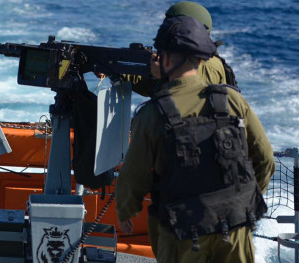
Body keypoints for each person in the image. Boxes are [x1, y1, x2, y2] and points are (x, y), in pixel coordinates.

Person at [115, 15, 274, 263]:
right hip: (234, 227)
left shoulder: (151, 114)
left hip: (183, 232)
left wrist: (126, 209)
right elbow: (264, 158)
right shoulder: (232, 100)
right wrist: (246, 199)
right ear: (201, 59)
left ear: (166, 59)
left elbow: (135, 174)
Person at [126, 1, 238, 97]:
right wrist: (122, 71)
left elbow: (187, 100)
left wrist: (163, 75)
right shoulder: (188, 59)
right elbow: (153, 87)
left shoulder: (206, 65)